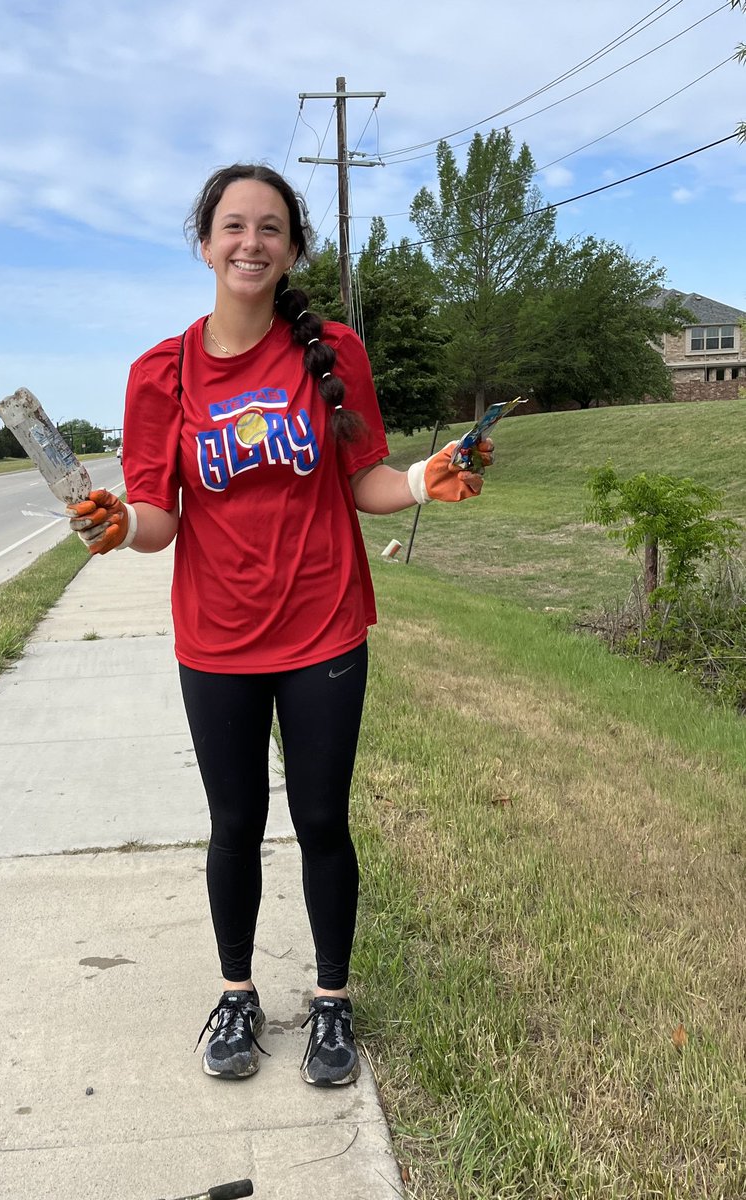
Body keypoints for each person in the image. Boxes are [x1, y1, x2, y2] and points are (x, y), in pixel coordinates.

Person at [67, 163, 492, 1088]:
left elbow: (365, 480)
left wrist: (427, 480)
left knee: (322, 818)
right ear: (205, 244)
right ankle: (238, 992)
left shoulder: (333, 351)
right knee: (234, 822)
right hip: (217, 636)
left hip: (324, 626)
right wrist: (117, 525)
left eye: (270, 227)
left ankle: (332, 1001)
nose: (250, 242)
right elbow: (159, 519)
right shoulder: (162, 373)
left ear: (293, 248)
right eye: (233, 226)